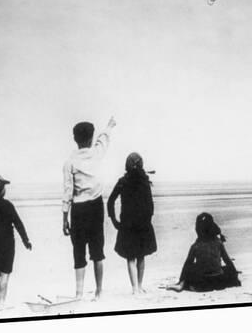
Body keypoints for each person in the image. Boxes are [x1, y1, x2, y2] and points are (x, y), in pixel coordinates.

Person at [62, 116, 117, 300]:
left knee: (78, 251)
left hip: (78, 210)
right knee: (97, 250)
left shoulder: (69, 162)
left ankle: (78, 294)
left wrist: (64, 218)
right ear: (91, 138)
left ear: (74, 138)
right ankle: (99, 291)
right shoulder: (96, 153)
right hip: (95, 207)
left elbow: (67, 191)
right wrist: (109, 126)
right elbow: (104, 140)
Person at [107, 152, 157, 295]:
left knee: (130, 257)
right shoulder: (145, 181)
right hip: (143, 224)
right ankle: (139, 287)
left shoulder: (123, 181)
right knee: (141, 256)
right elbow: (150, 205)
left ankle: (135, 288)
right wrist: (148, 220)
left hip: (127, 225)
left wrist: (114, 220)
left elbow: (110, 201)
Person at [0, 173, 32, 310]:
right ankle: (2, 303)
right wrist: (26, 240)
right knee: (5, 273)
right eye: (3, 187)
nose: (5, 189)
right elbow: (18, 223)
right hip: (6, 244)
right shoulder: (7, 205)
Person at [166, 212, 240, 292]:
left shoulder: (196, 246)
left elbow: (187, 265)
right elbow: (228, 261)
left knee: (190, 266)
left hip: (203, 281)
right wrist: (234, 275)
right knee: (226, 269)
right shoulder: (218, 242)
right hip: (218, 280)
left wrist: (181, 279)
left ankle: (181, 284)